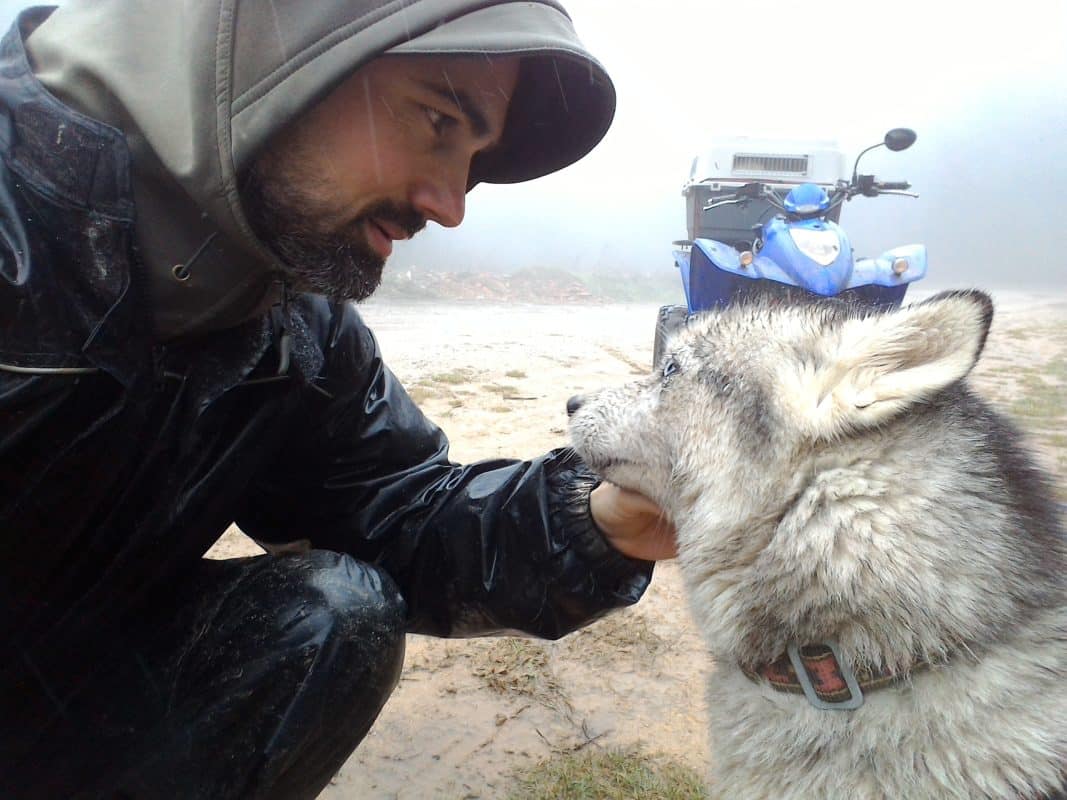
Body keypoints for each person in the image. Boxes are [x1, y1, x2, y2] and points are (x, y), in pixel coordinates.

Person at [0, 1, 675, 797]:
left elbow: (395, 512)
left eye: (474, 157)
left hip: (51, 696)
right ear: (275, 54)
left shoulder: (289, 317)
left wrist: (605, 521)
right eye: (436, 118)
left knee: (329, 614)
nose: (450, 204)